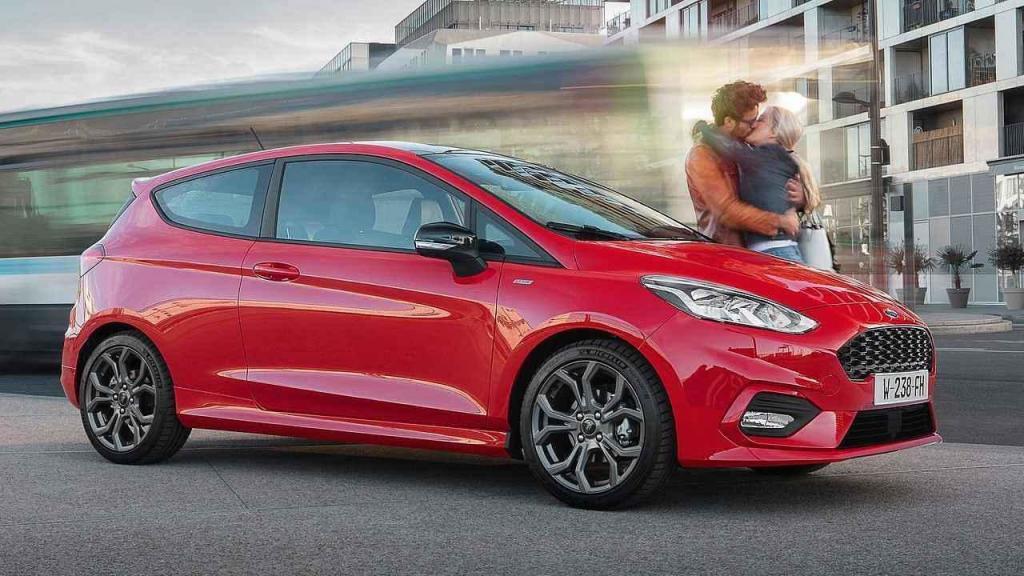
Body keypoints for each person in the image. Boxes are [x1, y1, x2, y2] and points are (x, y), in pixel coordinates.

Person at [685, 81, 804, 249]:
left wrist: (800, 197)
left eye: (757, 119)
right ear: (729, 121)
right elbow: (726, 212)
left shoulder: (748, 145)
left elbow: (773, 187)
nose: (754, 125)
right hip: (728, 251)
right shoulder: (702, 155)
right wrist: (779, 221)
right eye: (749, 121)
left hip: (759, 247)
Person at [695, 105, 821, 263]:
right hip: (774, 250)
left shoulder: (768, 156)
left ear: (774, 132)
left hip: (775, 251)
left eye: (760, 120)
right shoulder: (774, 158)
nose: (754, 125)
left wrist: (705, 130)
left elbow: (731, 149)